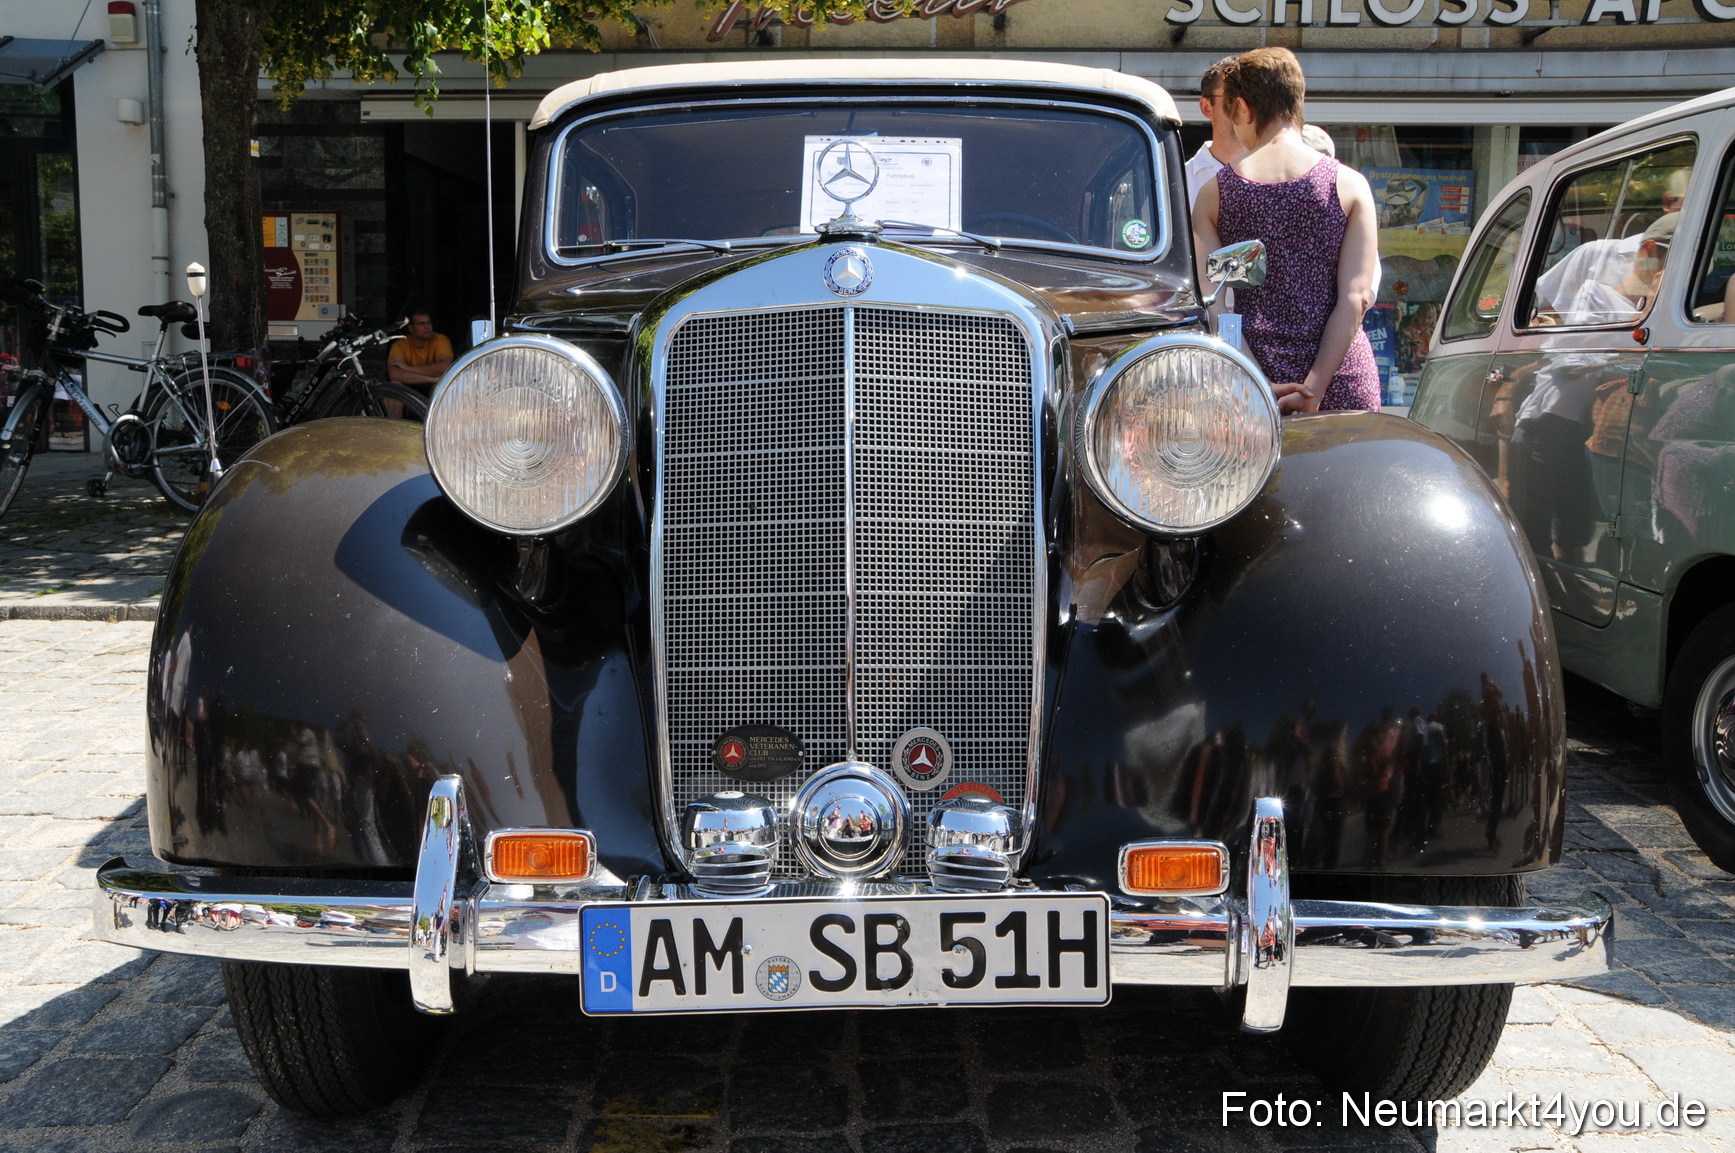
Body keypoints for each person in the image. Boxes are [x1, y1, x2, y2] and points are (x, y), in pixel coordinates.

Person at [1194, 48, 1380, 413]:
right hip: (1342, 380)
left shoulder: (1215, 192)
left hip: (1252, 384)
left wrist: (1258, 384)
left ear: (1244, 108)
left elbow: (1215, 304)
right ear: (1297, 101)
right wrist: (1314, 387)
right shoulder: (1349, 185)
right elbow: (1356, 297)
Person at [1183, 56, 1247, 211]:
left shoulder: (1279, 177)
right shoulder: (1181, 181)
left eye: (1252, 98)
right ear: (1206, 107)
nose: (1244, 106)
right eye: (1231, 98)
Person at [386, 309, 453, 391]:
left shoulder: (441, 339)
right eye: (421, 324)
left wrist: (408, 368)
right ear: (411, 328)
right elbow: (395, 375)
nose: (427, 327)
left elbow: (444, 368)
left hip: (434, 385)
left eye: (429, 323)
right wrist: (430, 379)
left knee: (440, 387)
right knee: (395, 386)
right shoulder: (400, 345)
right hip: (409, 386)